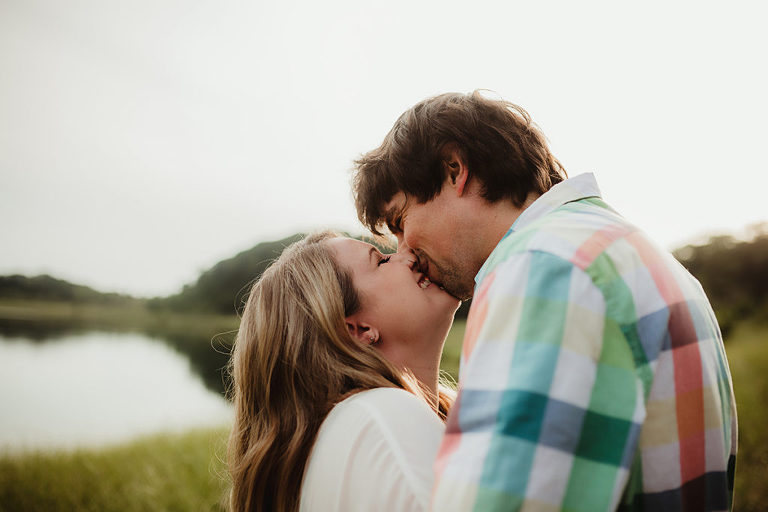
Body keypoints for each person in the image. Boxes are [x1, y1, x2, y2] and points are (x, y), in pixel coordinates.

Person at [353, 91, 738, 511]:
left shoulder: (542, 269)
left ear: (454, 169)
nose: (405, 249)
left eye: (399, 220)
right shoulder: (622, 249)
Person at [227, 231, 460, 512]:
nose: (408, 255)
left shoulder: (348, 433)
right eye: (382, 261)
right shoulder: (384, 418)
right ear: (358, 329)